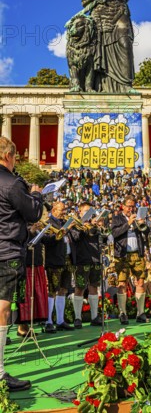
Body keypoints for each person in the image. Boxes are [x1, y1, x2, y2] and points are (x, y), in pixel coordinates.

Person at [0, 136, 43, 391]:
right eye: (15, 157)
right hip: (7, 250)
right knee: (3, 309)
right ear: (8, 156)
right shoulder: (12, 182)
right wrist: (37, 195)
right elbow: (33, 213)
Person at [111, 195, 149, 324]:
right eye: (128, 206)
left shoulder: (138, 218)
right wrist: (128, 223)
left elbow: (147, 232)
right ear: (123, 206)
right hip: (122, 254)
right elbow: (115, 233)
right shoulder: (117, 218)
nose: (131, 209)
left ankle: (141, 312)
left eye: (133, 206)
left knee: (141, 282)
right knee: (122, 283)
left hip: (137, 253)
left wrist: (143, 224)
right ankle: (123, 313)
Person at [69, 202, 103, 328]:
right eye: (86, 211)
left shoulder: (94, 224)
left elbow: (101, 237)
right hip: (81, 260)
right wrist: (83, 226)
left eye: (90, 211)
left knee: (94, 287)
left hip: (95, 259)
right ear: (80, 212)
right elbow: (75, 238)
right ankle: (77, 317)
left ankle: (94, 317)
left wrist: (95, 226)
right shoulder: (75, 225)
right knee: (79, 288)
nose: (89, 213)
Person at [43, 202, 74, 332]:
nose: (64, 212)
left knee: (63, 290)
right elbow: (46, 240)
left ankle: (60, 320)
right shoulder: (48, 222)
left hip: (67, 259)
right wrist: (63, 232)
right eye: (62, 210)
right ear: (54, 210)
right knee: (52, 290)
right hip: (54, 260)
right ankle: (48, 321)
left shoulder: (64, 221)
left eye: (64, 210)